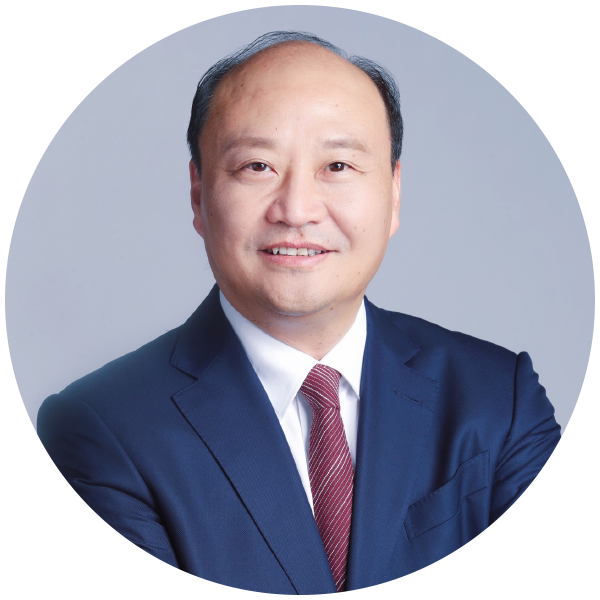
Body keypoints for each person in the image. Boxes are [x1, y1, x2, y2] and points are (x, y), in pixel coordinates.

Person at [37, 31, 561, 593]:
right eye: (257, 166)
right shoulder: (100, 430)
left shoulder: (498, 399)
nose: (297, 210)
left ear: (394, 194)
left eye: (337, 165)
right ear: (198, 196)